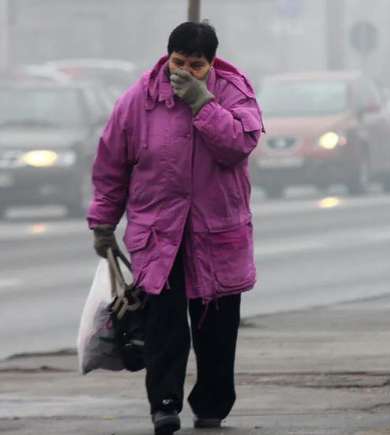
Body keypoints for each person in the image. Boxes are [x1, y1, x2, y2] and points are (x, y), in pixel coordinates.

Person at [87, 22, 263, 435]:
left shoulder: (234, 92)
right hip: (158, 233)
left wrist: (205, 105)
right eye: (178, 62)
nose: (184, 72)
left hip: (216, 232)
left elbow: (238, 144)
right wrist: (103, 222)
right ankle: (163, 404)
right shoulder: (139, 101)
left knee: (215, 327)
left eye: (196, 66)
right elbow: (111, 165)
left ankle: (212, 403)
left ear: (211, 64)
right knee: (164, 326)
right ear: (167, 57)